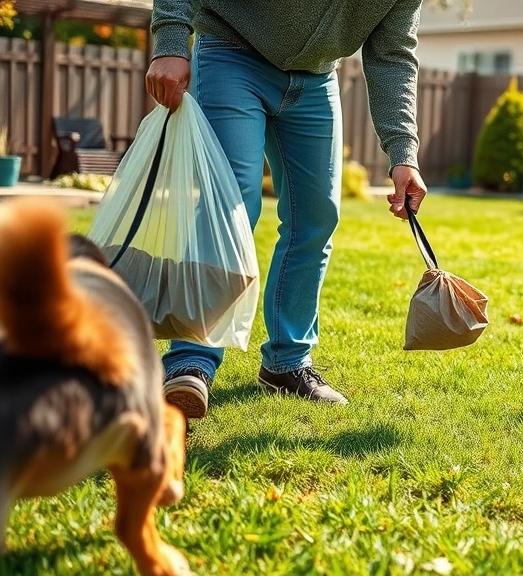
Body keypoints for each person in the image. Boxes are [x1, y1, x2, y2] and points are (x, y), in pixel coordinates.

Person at [147, 1, 428, 418]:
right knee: (231, 204)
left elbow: (392, 54)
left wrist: (404, 152)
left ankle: (287, 362)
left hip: (316, 79)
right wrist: (171, 38)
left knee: (316, 219)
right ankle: (192, 360)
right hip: (231, 53)